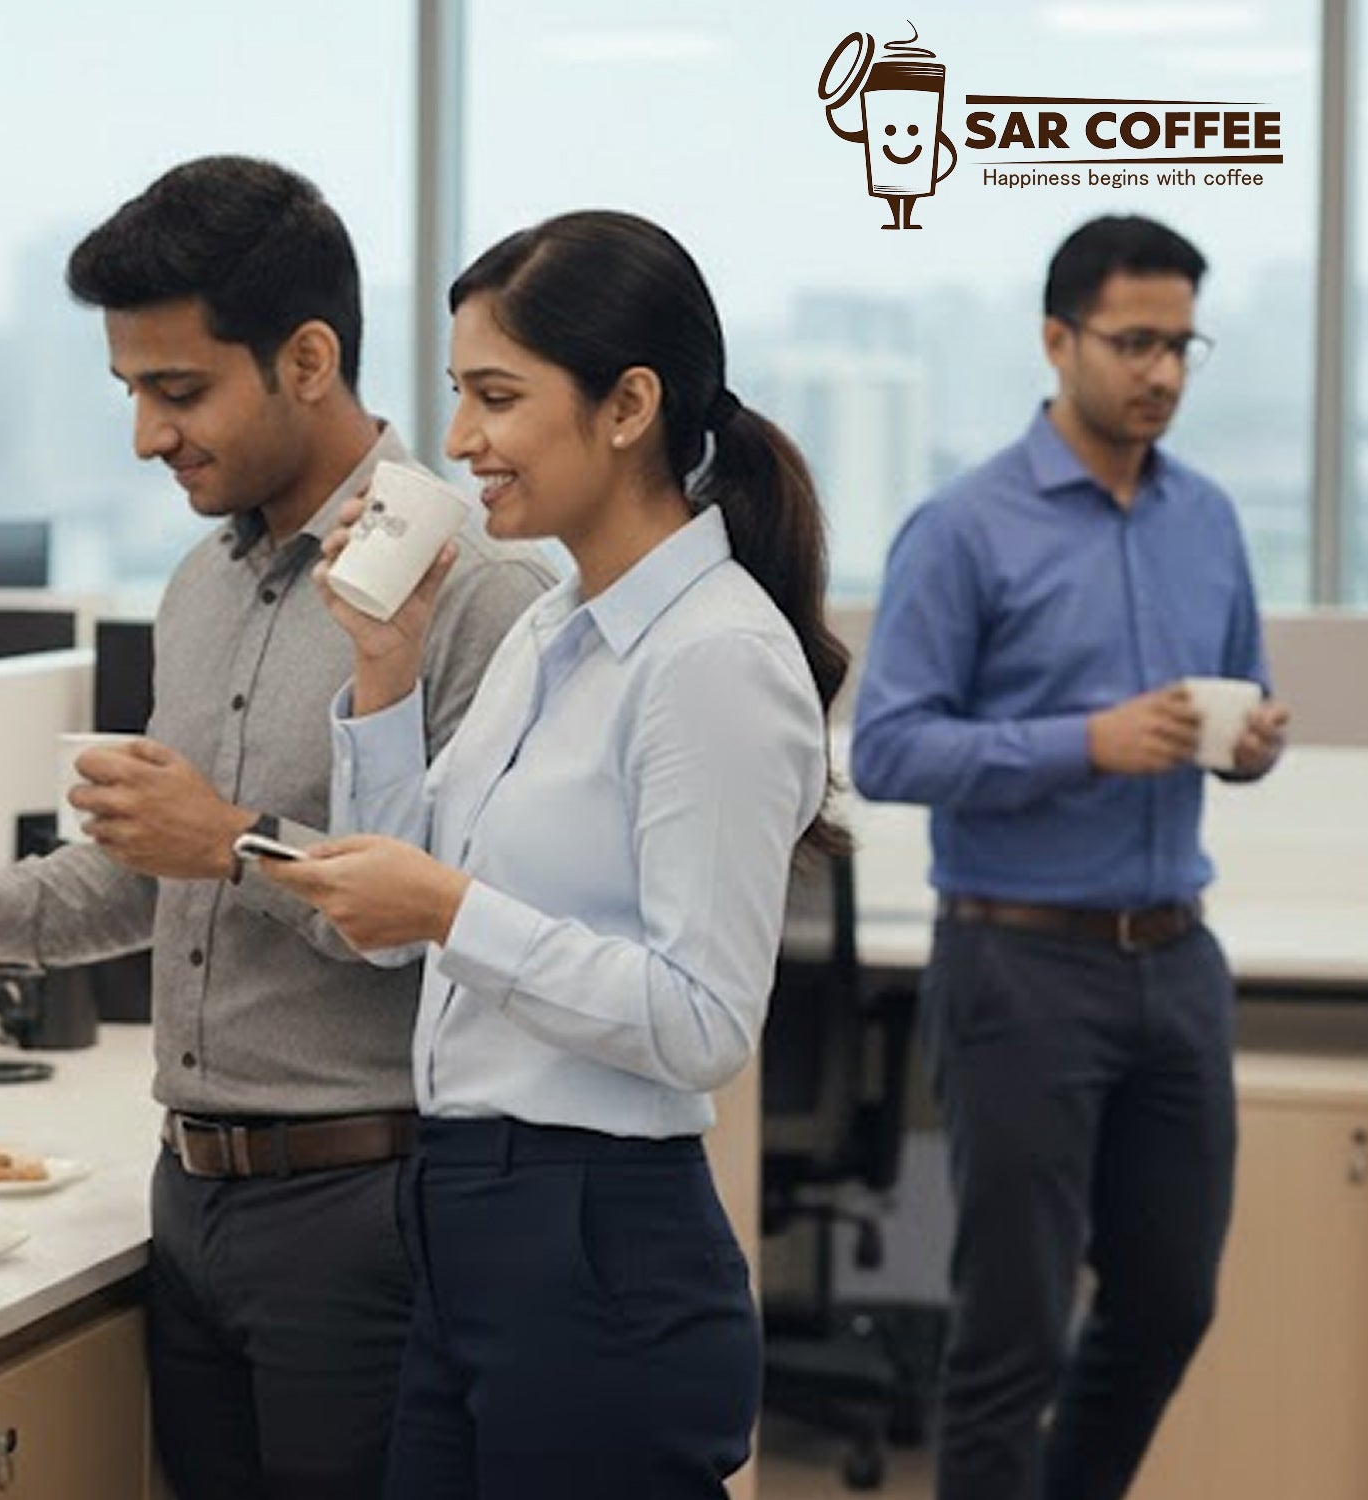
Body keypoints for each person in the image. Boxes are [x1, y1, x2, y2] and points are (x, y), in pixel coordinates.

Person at [0, 157, 551, 1498]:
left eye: (177, 391)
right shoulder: (200, 587)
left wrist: (230, 834)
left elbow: (464, 923)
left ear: (309, 359)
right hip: (191, 1198)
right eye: (130, 390)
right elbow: (149, 878)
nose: (145, 435)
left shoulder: (479, 593)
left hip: (365, 1204)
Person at [259, 209, 841, 1496]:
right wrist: (386, 669)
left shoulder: (713, 662)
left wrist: (455, 909)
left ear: (629, 404)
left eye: (497, 397)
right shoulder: (554, 629)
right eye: (461, 395)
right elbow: (386, 909)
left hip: (593, 1233)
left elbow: (701, 1022)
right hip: (469, 1216)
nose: (459, 439)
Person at [851, 215, 1288, 1500]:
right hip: (1019, 963)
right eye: (1134, 341)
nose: (1160, 371)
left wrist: (1249, 741)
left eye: (1181, 345)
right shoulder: (965, 527)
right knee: (1012, 1336)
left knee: (1170, 1304)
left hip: (1175, 962)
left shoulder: (1205, 518)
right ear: (1059, 339)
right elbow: (887, 752)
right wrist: (1084, 743)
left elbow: (1245, 689)